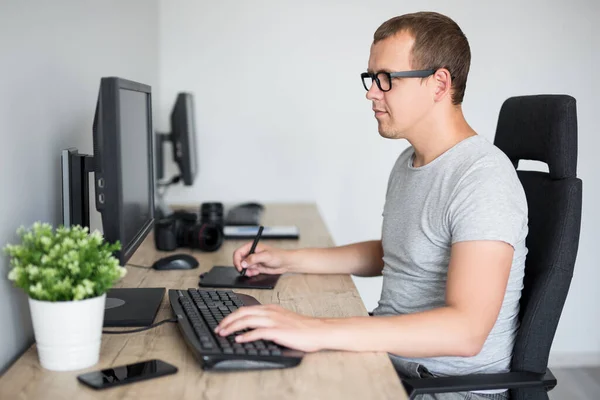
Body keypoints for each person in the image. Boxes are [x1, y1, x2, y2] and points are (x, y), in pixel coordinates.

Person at [215, 11, 527, 400]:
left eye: (386, 79)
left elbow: (465, 331)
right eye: (371, 78)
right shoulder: (411, 161)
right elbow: (395, 253)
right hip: (392, 361)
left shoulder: (482, 179)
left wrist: (316, 329)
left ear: (439, 83)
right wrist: (288, 260)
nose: (371, 92)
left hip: (443, 387)